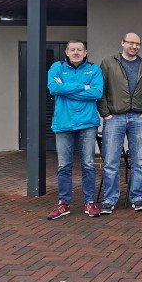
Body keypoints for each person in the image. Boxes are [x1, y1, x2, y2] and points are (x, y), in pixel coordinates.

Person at [98, 32, 142, 213]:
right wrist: (106, 114)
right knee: (110, 161)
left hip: (138, 118)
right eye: (131, 43)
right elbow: (100, 90)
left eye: (137, 43)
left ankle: (138, 198)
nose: (134, 46)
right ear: (122, 43)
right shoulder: (109, 63)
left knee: (140, 161)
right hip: (114, 118)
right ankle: (109, 199)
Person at [47, 40, 104, 219]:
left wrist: (66, 89)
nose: (76, 52)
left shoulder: (94, 69)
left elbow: (96, 93)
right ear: (67, 51)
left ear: (86, 52)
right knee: (64, 165)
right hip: (63, 123)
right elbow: (53, 88)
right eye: (72, 49)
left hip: (87, 123)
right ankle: (64, 203)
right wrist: (82, 86)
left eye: (80, 49)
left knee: (88, 164)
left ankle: (89, 202)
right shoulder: (57, 67)